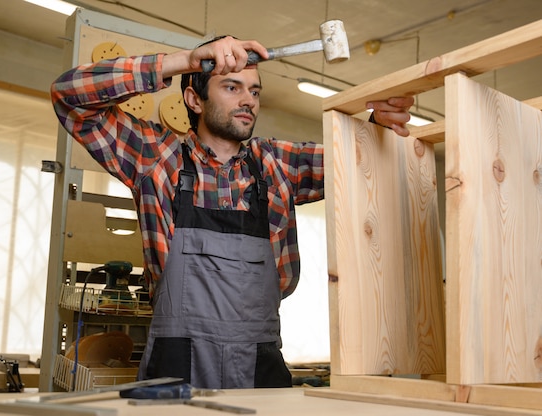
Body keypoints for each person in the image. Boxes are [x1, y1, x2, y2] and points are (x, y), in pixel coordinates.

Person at [51, 35, 414, 389]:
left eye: (254, 91)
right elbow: (69, 97)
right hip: (176, 367)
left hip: (260, 362)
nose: (248, 101)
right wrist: (184, 61)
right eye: (232, 87)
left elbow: (358, 159)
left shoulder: (276, 165)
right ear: (194, 98)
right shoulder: (157, 160)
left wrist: (378, 125)